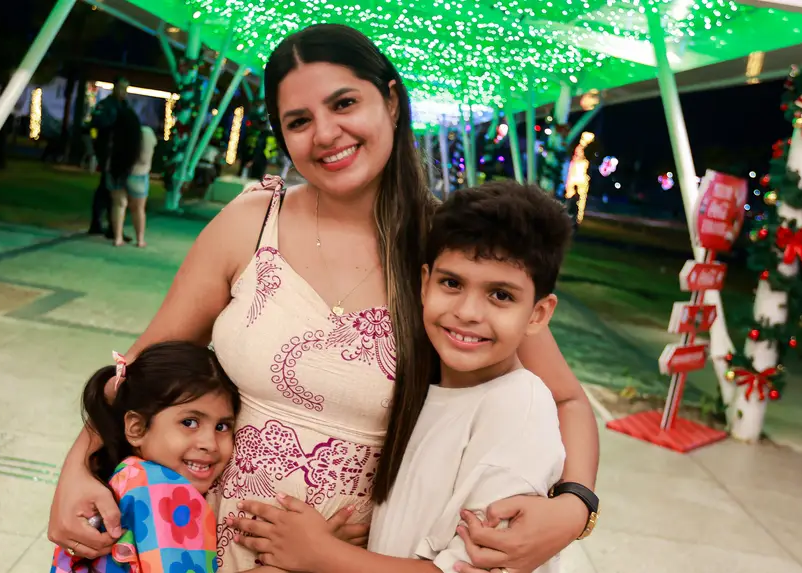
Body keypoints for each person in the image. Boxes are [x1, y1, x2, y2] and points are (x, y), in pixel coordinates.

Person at [47, 24, 599, 573]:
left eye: (344, 103)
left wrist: (574, 508)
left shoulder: (453, 256)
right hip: (202, 541)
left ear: (390, 101)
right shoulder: (251, 221)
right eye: (299, 121)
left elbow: (565, 400)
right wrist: (79, 467)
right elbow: (142, 365)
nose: (327, 133)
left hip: (354, 557)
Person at [227, 181, 573, 573]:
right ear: (424, 283)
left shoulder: (516, 409)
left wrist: (322, 554)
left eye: (501, 295)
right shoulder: (433, 390)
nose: (468, 311)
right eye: (452, 283)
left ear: (539, 314)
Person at [49, 341, 240, 571]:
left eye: (222, 427)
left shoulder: (123, 475)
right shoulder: (168, 491)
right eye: (189, 422)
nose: (210, 444)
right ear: (136, 428)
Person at [89, 76, 131, 241]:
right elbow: (97, 124)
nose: (123, 92)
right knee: (108, 188)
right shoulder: (107, 106)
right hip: (108, 151)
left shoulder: (123, 106)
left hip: (118, 152)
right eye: (121, 88)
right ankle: (103, 224)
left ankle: (109, 225)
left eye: (125, 89)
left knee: (109, 188)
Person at [110, 117, 157, 248]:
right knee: (138, 209)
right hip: (139, 173)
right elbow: (146, 156)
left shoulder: (119, 133)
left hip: (118, 172)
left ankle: (117, 238)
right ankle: (140, 239)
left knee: (119, 205)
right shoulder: (147, 134)